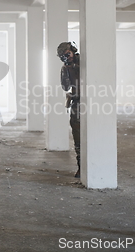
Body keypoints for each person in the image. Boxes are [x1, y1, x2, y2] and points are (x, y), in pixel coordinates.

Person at [57, 42, 81, 178]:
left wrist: (75, 67)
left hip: (94, 102)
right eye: (63, 57)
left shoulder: (84, 61)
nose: (67, 58)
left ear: (73, 51)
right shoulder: (65, 68)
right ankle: (81, 166)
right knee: (78, 137)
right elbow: (66, 87)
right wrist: (67, 69)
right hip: (77, 103)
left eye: (68, 54)